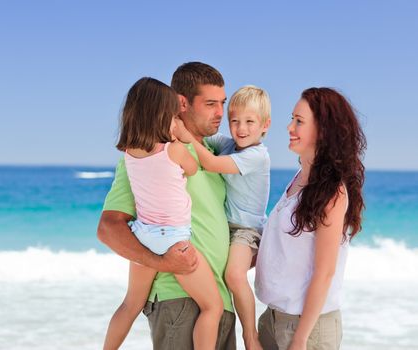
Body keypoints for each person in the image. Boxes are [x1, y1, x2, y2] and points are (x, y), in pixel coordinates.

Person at [97, 62, 237, 349]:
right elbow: (108, 228)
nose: (220, 113)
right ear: (181, 103)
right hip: (178, 300)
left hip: (221, 301)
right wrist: (162, 262)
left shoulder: (215, 155)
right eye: (210, 104)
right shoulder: (150, 155)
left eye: (222, 103)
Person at [255, 87, 366, 350]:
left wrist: (301, 338)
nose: (289, 127)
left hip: (306, 328)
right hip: (273, 319)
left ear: (323, 131)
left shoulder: (332, 192)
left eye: (299, 121)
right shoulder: (298, 180)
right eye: (292, 119)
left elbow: (325, 272)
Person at [174, 85, 271, 350]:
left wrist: (184, 134)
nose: (241, 128)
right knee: (225, 278)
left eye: (250, 122)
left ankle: (250, 337)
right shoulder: (228, 144)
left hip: (245, 229)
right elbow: (203, 140)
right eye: (234, 121)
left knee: (234, 277)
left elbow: (210, 162)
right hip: (228, 229)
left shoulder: (257, 155)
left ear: (265, 125)